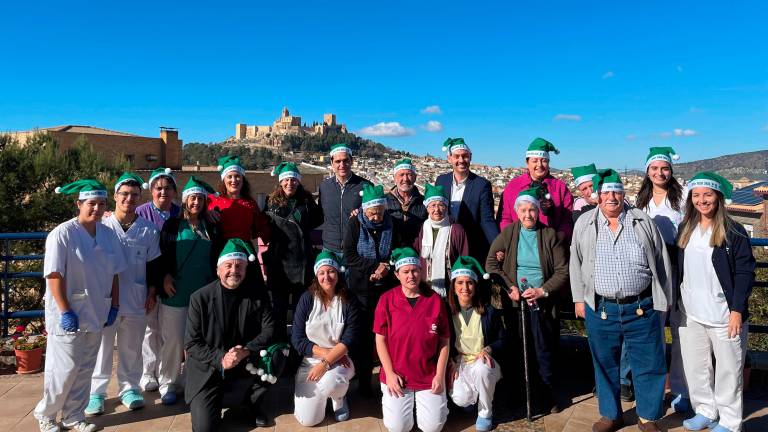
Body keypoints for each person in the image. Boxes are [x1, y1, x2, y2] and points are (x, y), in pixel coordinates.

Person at [570, 169, 672, 432]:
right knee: (604, 364)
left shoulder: (642, 221)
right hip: (601, 307)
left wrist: (663, 300)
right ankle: (611, 415)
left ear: (624, 194)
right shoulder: (584, 223)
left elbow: (662, 262)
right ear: (598, 195)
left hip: (642, 306)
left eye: (616, 192)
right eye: (606, 192)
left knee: (648, 362)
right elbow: (575, 263)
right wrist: (579, 299)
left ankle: (648, 417)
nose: (611, 197)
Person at [34, 179, 127, 432]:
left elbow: (115, 273)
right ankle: (47, 415)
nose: (96, 208)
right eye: (91, 203)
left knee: (86, 368)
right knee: (64, 369)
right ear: (79, 204)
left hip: (97, 310)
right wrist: (65, 311)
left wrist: (114, 305)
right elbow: (54, 275)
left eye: (101, 204)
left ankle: (74, 416)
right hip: (68, 312)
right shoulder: (62, 234)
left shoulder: (108, 234)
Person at [676, 172, 755, 432]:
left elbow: (745, 272)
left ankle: (730, 422)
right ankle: (705, 411)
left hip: (724, 315)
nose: (702, 200)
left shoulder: (734, 231)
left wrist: (737, 310)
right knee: (696, 367)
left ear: (718, 197)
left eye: (707, 195)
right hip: (691, 313)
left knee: (729, 371)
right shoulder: (686, 228)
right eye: (696, 195)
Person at [485, 186, 569, 414]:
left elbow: (562, 271)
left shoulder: (549, 235)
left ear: (538, 211)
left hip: (542, 304)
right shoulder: (509, 233)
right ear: (517, 212)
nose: (527, 215)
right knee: (516, 348)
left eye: (531, 210)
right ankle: (518, 393)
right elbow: (491, 263)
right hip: (516, 304)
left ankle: (546, 394)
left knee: (543, 349)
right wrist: (509, 286)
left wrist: (542, 291)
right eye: (523, 210)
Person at [86, 173, 162, 415]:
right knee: (102, 348)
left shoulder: (148, 230)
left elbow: (154, 265)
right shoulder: (101, 226)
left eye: (134, 195)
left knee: (132, 347)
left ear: (140, 198)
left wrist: (152, 292)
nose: (129, 199)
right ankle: (96, 393)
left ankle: (129, 389)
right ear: (115, 196)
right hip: (104, 300)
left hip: (136, 298)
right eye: (125, 194)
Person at [185, 238, 276, 430]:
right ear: (218, 270)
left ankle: (250, 403)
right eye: (228, 265)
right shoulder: (199, 298)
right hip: (209, 369)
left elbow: (270, 329)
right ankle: (214, 401)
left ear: (246, 269)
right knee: (204, 429)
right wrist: (221, 358)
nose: (234, 270)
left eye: (239, 266)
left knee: (277, 354)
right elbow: (192, 344)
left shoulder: (258, 295)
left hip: (244, 361)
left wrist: (246, 350)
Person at [633, 147, 689, 408]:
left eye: (664, 168)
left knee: (681, 329)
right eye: (654, 168)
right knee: (652, 330)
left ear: (671, 170)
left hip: (679, 266)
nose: (660, 173)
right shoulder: (641, 199)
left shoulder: (683, 196)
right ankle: (651, 390)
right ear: (647, 171)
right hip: (651, 270)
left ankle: (681, 390)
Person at [157, 176, 219, 405]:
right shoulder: (172, 225)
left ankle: (192, 381)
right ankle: (168, 383)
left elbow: (217, 256)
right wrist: (164, 276)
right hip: (176, 292)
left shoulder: (211, 225)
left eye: (200, 199)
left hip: (203, 294)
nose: (196, 203)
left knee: (197, 341)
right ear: (184, 200)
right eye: (192, 198)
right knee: (173, 341)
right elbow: (161, 254)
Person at [374, 247, 450, 432]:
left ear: (421, 271)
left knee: (433, 427)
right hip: (398, 375)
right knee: (398, 427)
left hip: (427, 375)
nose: (411, 276)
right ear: (397, 275)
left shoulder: (434, 300)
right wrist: (389, 373)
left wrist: (440, 375)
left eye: (415, 270)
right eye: (406, 272)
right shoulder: (386, 300)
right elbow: (380, 340)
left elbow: (444, 341)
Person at [343, 183, 401, 396]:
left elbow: (398, 251)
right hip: (361, 290)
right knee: (365, 337)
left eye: (379, 213)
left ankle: (391, 378)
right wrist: (373, 267)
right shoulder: (355, 224)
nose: (376, 217)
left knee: (388, 333)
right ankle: (365, 382)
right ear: (364, 210)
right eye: (372, 213)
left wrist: (386, 268)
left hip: (386, 288)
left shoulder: (392, 224)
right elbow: (349, 255)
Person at [291, 251, 362, 426]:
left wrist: (326, 363)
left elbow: (349, 339)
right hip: (311, 361)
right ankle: (323, 398)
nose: (326, 277)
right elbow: (297, 339)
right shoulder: (307, 299)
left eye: (331, 271)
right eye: (322, 272)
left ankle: (338, 398)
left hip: (341, 361)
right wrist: (328, 354)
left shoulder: (349, 300)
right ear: (316, 275)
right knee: (309, 420)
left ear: (338, 273)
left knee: (333, 383)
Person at [263, 162, 323, 336]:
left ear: (298, 181)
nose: (290, 183)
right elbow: (265, 226)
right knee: (278, 309)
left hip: (302, 261)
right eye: (286, 180)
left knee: (300, 309)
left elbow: (317, 219)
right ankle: (279, 344)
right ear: (281, 182)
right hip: (279, 262)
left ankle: (298, 344)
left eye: (294, 180)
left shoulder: (307, 202)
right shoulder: (270, 202)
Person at [447, 256, 505, 432]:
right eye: (460, 283)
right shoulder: (447, 312)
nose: (465, 288)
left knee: (482, 370)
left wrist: (489, 348)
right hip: (461, 362)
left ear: (475, 285)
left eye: (469, 283)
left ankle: (485, 412)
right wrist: (450, 361)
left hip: (483, 362)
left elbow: (503, 338)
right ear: (453, 286)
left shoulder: (488, 311)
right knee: (461, 400)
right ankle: (472, 399)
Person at [135, 167, 181, 392]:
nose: (163, 192)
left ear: (174, 191)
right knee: (149, 328)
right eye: (159, 188)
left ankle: (166, 376)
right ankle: (147, 373)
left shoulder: (181, 213)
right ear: (151, 190)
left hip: (173, 279)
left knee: (169, 330)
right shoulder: (140, 212)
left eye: (168, 188)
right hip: (148, 278)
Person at [208, 155, 270, 300]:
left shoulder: (250, 204)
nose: (234, 180)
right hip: (221, 252)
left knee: (252, 294)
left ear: (243, 179)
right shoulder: (212, 202)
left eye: (237, 176)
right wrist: (206, 213)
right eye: (229, 176)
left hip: (245, 252)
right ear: (223, 179)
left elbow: (261, 228)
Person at [435, 137, 499, 264]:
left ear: (470, 157)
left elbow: (487, 219)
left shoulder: (482, 185)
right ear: (449, 158)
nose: (461, 160)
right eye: (457, 156)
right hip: (445, 246)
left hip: (471, 247)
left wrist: (497, 245)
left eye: (465, 156)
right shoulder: (441, 181)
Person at [498, 138, 574, 242]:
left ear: (548, 163)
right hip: (518, 244)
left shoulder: (560, 188)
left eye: (544, 161)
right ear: (527, 163)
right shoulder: (513, 187)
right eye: (534, 161)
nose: (539, 165)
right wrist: (510, 239)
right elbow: (504, 218)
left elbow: (568, 219)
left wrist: (559, 236)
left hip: (552, 245)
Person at [413, 183, 469, 298]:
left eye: (441, 205)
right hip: (425, 286)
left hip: (450, 287)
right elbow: (418, 254)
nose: (437, 210)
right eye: (433, 205)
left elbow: (464, 258)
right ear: (427, 208)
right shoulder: (424, 228)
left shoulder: (456, 230)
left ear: (446, 207)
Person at [318, 143, 372, 259]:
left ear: (351, 161)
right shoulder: (324, 187)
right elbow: (320, 215)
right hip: (329, 249)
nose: (342, 165)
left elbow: (376, 217)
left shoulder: (366, 186)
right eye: (338, 161)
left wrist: (363, 214)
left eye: (345, 160)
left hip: (357, 249)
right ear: (332, 163)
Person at [385, 158, 427, 247]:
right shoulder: (384, 202)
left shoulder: (424, 203)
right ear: (394, 178)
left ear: (415, 177)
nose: (405, 179)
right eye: (401, 175)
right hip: (391, 253)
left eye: (409, 174)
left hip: (416, 253)